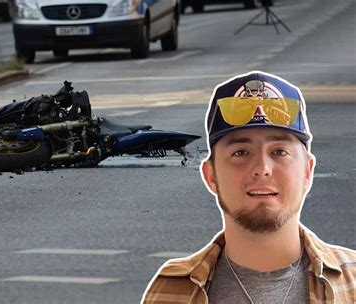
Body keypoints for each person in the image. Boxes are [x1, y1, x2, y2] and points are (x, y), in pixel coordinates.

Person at [141, 71, 355, 303]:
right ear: (210, 175)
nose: (262, 168)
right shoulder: (171, 290)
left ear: (306, 172)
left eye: (279, 152)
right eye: (240, 152)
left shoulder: (352, 282)